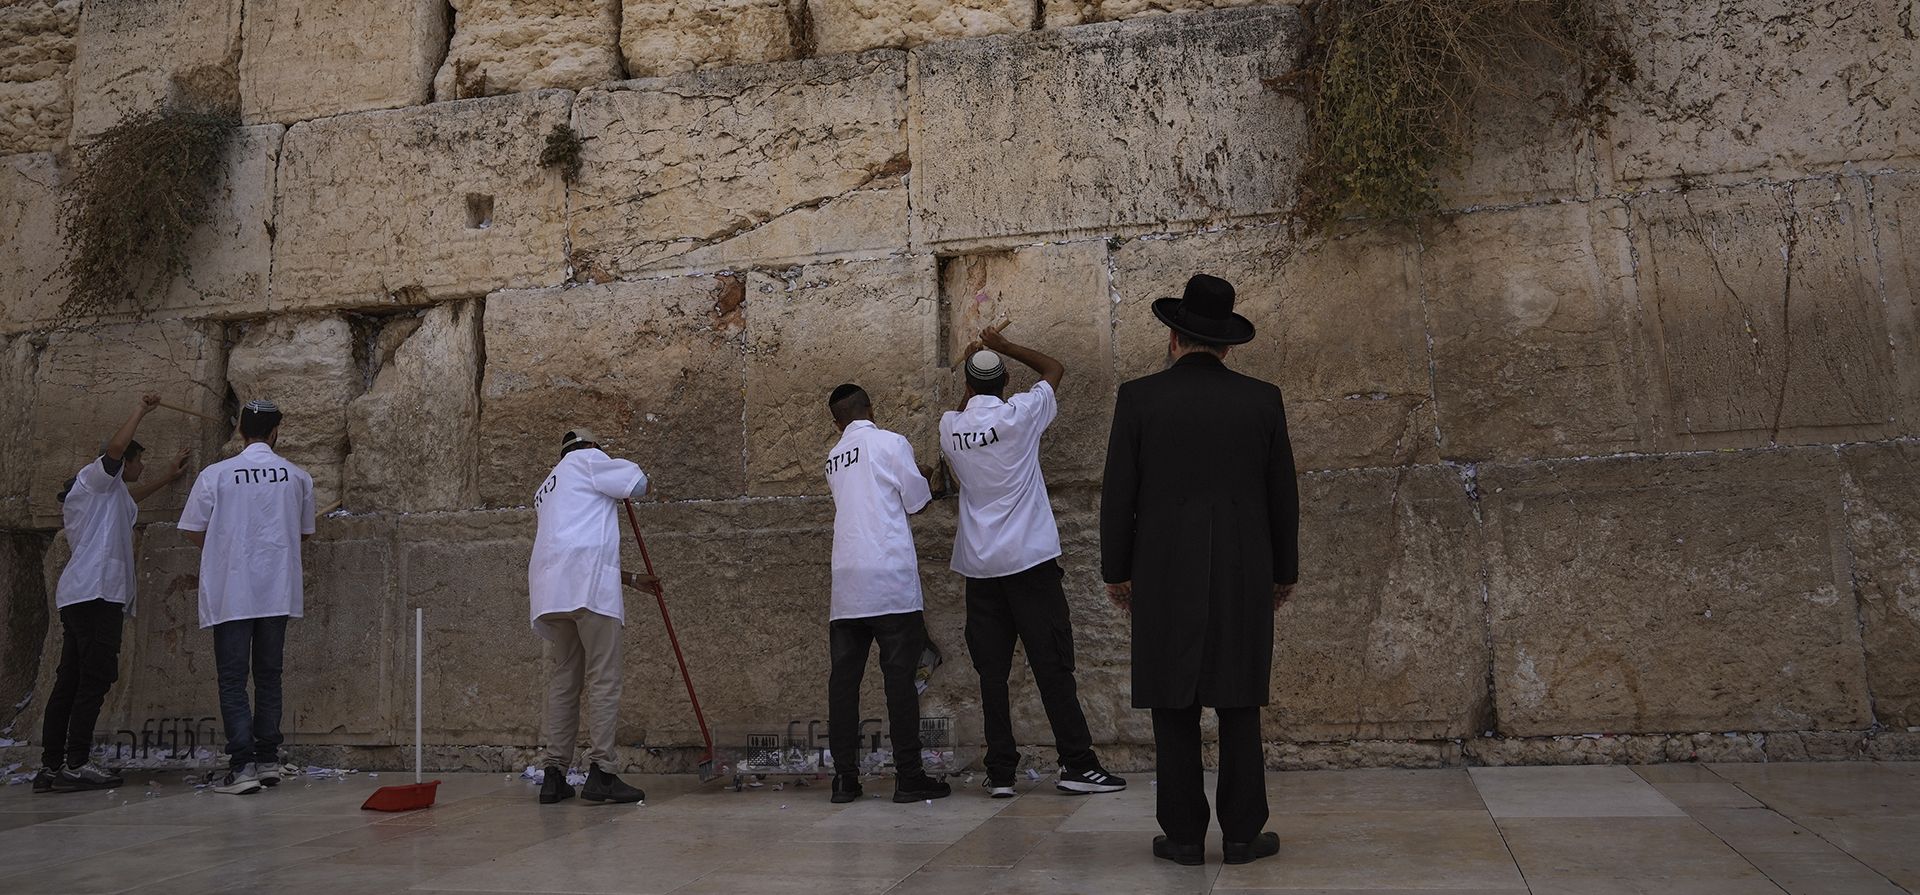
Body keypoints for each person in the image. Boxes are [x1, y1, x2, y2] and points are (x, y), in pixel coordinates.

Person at [1100, 274, 1299, 866]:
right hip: (1243, 569)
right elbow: (1281, 495)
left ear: (1173, 337)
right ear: (1226, 345)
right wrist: (1282, 573)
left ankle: (1183, 834)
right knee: (1239, 702)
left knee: (1173, 702)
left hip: (1161, 571)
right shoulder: (1262, 400)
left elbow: (1119, 494)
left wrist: (1117, 569)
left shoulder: (1139, 399)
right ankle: (1242, 833)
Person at [939, 328, 1126, 798]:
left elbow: (965, 411)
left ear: (966, 387)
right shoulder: (1021, 414)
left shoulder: (950, 427)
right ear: (1004, 384)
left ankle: (1000, 772)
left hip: (980, 568)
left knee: (992, 673)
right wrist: (1001, 346)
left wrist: (970, 365)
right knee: (1052, 665)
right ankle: (1077, 763)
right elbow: (1053, 369)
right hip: (1028, 561)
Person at [33, 395, 190, 794]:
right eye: (140, 462)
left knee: (69, 682)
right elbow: (116, 450)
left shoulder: (109, 497)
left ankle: (51, 767)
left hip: (83, 596)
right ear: (123, 464)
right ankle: (77, 763)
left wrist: (167, 479)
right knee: (95, 678)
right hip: (96, 596)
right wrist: (141, 409)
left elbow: (131, 501)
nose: (142, 467)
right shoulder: (94, 477)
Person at [178, 399, 315, 796]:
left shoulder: (216, 475)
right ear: (275, 432)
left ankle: (243, 767)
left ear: (241, 431)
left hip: (232, 590)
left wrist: (221, 547)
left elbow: (190, 528)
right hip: (276, 588)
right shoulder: (297, 476)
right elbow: (305, 532)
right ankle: (268, 758)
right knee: (270, 676)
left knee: (233, 680)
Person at [823, 384, 951, 804]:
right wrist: (927, 477)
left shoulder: (833, 458)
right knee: (899, 682)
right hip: (890, 580)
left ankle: (844, 779)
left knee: (844, 683)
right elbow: (916, 501)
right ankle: (909, 777)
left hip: (847, 586)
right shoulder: (891, 442)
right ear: (870, 408)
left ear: (837, 420)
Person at [526, 427, 651, 805]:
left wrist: (630, 579)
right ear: (592, 446)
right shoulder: (590, 461)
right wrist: (615, 465)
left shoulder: (547, 485)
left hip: (552, 593)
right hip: (590, 592)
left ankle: (554, 774)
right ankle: (602, 772)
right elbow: (639, 483)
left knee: (565, 682)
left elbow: (575, 543)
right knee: (603, 680)